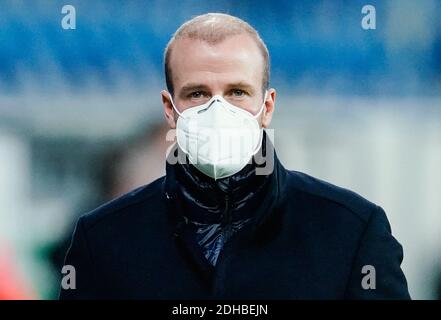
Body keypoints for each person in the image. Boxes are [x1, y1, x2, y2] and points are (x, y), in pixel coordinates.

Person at [59, 13, 410, 299]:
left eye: (237, 92)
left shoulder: (350, 232)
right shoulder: (103, 239)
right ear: (169, 108)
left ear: (267, 105)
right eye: (197, 93)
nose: (218, 108)